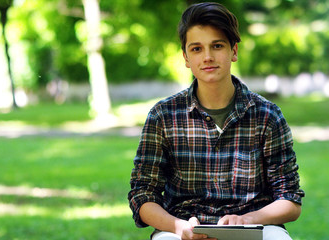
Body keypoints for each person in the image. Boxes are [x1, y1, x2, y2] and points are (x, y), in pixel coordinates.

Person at [128, 2, 305, 240]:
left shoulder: (268, 115)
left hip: (253, 226)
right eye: (197, 49)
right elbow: (142, 196)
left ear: (234, 51)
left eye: (217, 45)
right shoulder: (162, 116)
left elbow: (290, 199)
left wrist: (247, 220)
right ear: (186, 57)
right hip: (181, 228)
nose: (208, 57)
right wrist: (178, 226)